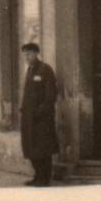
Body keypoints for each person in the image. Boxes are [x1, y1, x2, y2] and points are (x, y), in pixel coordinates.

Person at [19, 42, 62, 186]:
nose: (26, 57)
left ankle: (45, 178)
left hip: (42, 118)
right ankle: (37, 176)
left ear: (36, 54)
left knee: (43, 149)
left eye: (29, 54)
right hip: (29, 117)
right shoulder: (30, 70)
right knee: (31, 148)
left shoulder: (45, 69)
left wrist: (40, 111)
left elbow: (51, 95)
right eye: (24, 54)